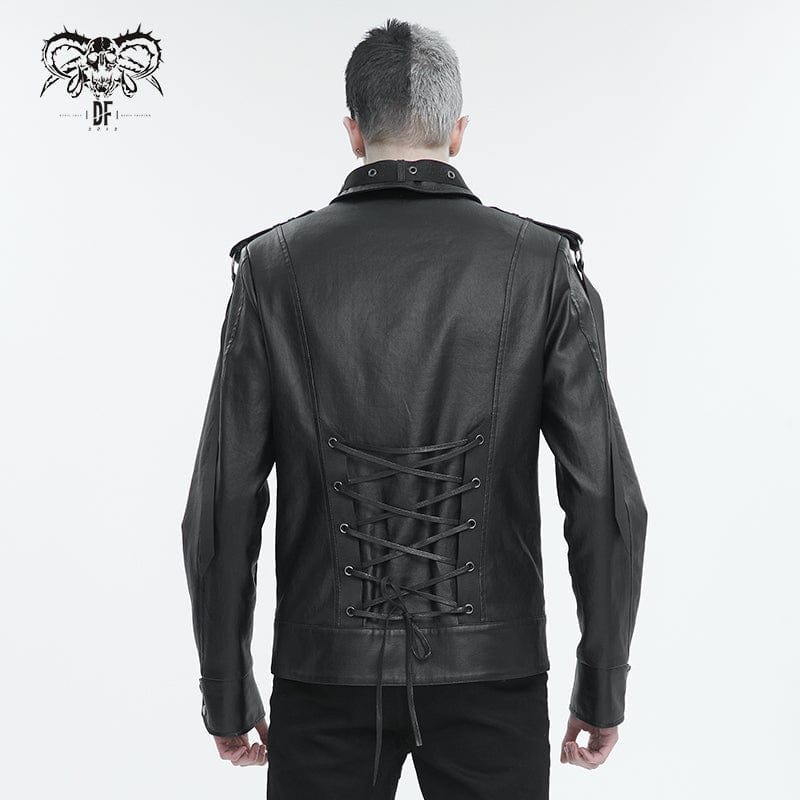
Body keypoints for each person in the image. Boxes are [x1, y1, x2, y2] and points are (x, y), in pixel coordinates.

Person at [181, 17, 647, 800]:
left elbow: (222, 504)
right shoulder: (539, 267)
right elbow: (605, 498)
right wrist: (601, 682)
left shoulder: (272, 268)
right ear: (457, 131)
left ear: (353, 132)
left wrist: (225, 688)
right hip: (492, 678)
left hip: (323, 680)